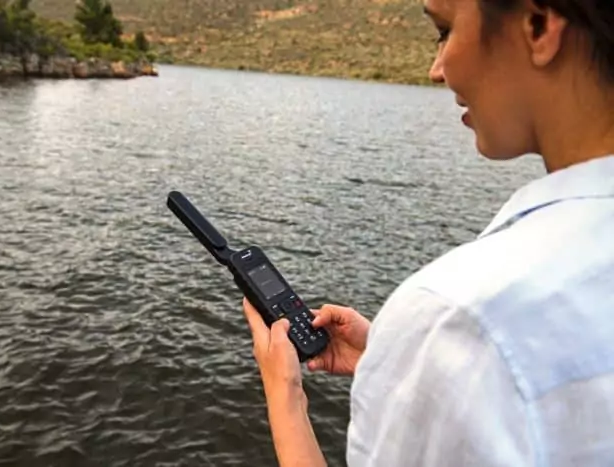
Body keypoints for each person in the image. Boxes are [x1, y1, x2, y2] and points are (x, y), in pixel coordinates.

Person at [241, 0, 614, 465]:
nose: (437, 69)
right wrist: (406, 367)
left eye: (444, 30)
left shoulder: (456, 316)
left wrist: (284, 395)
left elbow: (486, 345)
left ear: (538, 26)